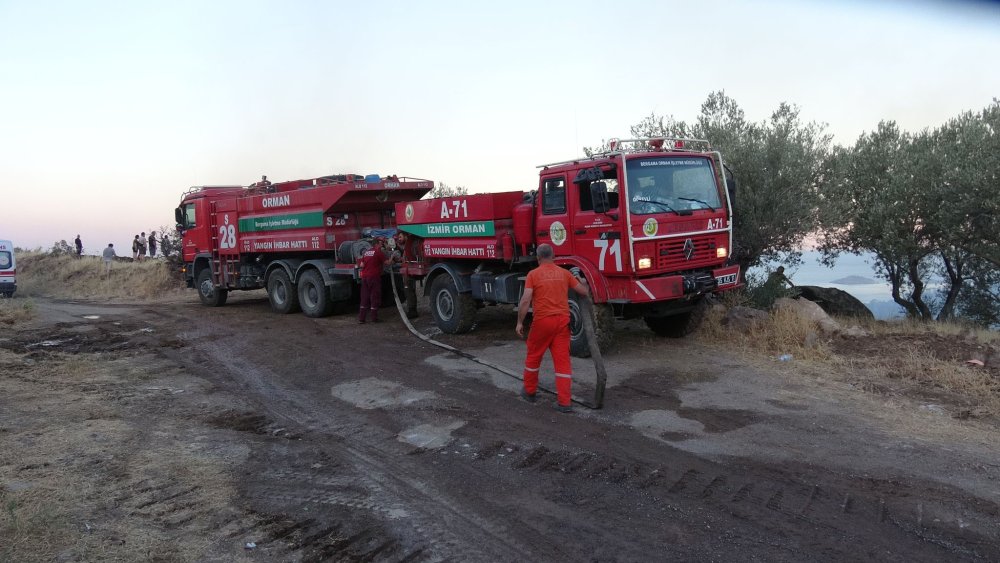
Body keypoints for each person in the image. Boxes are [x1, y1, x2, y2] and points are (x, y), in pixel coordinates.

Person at [516, 243, 590, 413]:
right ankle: (565, 402)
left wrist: (520, 322)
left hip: (542, 322)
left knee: (534, 356)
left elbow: (526, 300)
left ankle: (529, 392)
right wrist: (583, 282)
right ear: (554, 256)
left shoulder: (533, 274)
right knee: (562, 361)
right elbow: (583, 292)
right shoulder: (564, 273)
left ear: (538, 258)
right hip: (563, 323)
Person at [357, 237, 390, 323]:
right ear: (376, 244)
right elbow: (387, 263)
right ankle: (374, 318)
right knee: (374, 297)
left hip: (364, 278)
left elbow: (361, 265)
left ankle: (361, 318)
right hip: (374, 278)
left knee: (364, 297)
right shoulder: (378, 252)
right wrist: (393, 258)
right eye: (380, 243)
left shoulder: (366, 252)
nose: (381, 245)